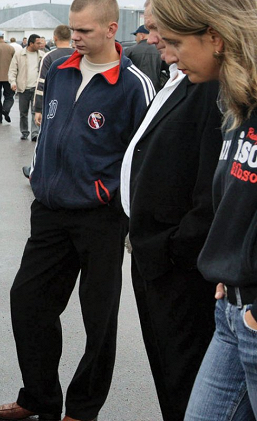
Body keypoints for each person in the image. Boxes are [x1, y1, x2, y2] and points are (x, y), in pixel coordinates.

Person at [0, 0, 153, 419]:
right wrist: (39, 175)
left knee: (99, 321)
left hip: (101, 217)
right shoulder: (58, 68)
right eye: (72, 30)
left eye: (85, 32)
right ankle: (38, 397)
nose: (75, 38)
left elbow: (144, 157)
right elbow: (48, 130)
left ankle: (81, 409)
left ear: (112, 29)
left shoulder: (133, 85)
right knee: (28, 302)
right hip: (50, 211)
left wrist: (107, 193)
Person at [151, 0, 257, 419]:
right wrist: (229, 261)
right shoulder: (240, 103)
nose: (169, 55)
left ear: (215, 37)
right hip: (230, 309)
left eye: (176, 41)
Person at [120, 1, 221, 419]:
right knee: (169, 375)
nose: (155, 38)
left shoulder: (211, 85)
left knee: (187, 382)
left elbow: (212, 194)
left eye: (162, 29)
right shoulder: (181, 78)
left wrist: (170, 250)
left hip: (178, 267)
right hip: (155, 257)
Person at [23, 24, 76, 179]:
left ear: (55, 38)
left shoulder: (49, 56)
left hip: (53, 104)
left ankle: (35, 171)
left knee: (45, 139)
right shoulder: (78, 54)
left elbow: (41, 85)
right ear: (70, 37)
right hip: (74, 103)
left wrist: (38, 109)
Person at [8, 34, 46, 140]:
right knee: (23, 112)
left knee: (36, 111)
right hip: (23, 88)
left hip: (37, 88)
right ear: (31, 43)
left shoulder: (42, 55)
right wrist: (13, 82)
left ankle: (35, 133)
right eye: (38, 43)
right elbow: (12, 70)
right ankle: (24, 132)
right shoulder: (19, 54)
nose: (40, 45)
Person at [124, 24, 168, 91]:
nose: (135, 39)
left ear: (142, 35)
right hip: (155, 89)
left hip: (134, 89)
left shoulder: (129, 50)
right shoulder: (160, 51)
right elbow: (169, 70)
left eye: (136, 36)